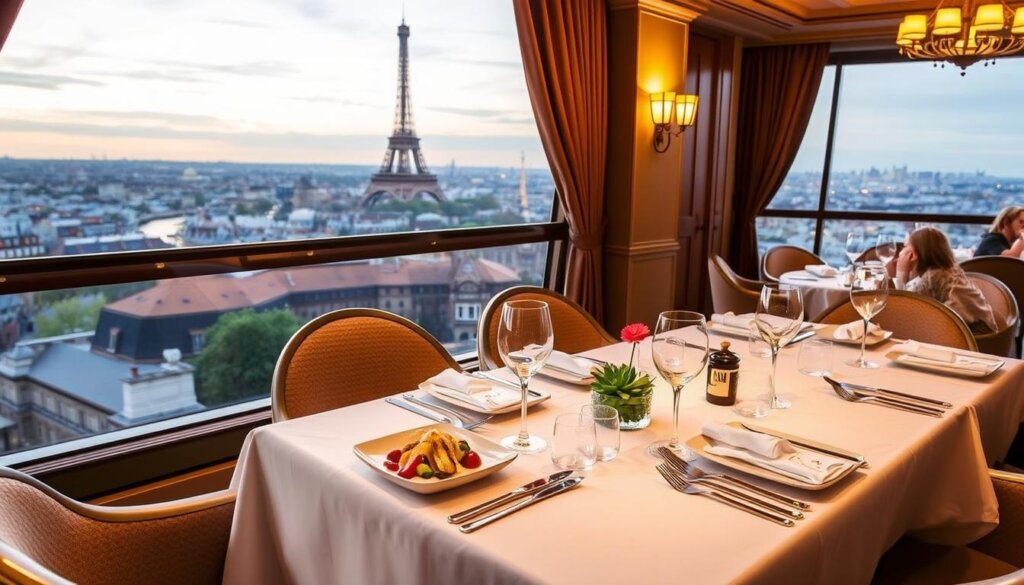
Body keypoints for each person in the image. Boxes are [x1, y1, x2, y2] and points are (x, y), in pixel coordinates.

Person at [894, 227, 998, 334]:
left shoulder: (932, 278)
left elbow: (905, 308)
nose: (901, 252)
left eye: (905, 246)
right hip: (984, 333)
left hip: (974, 340)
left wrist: (901, 272)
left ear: (913, 255)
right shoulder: (948, 271)